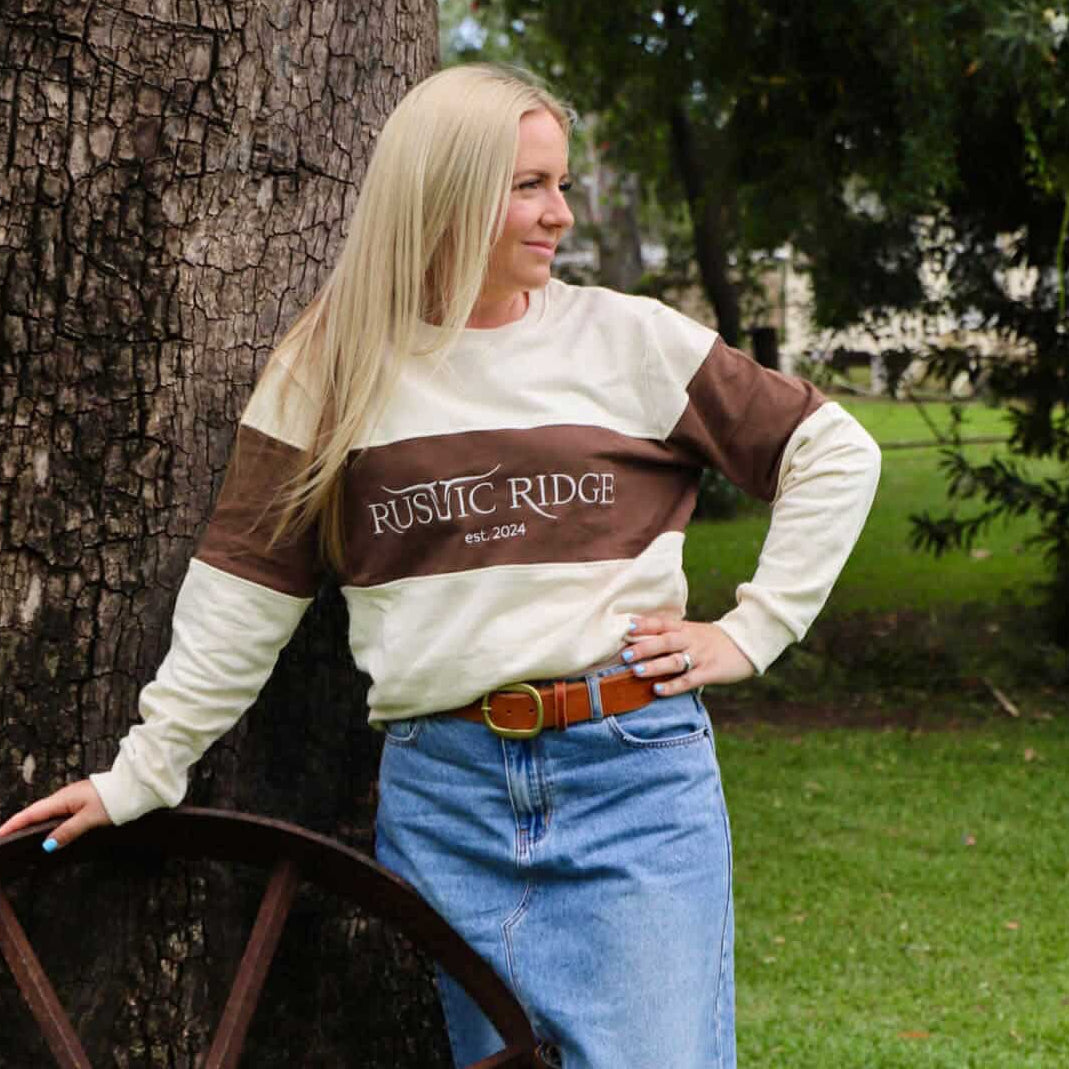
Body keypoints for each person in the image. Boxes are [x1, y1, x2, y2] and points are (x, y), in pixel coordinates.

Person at [0, 64, 880, 1068]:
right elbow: (244, 591)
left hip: (630, 780)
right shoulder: (331, 366)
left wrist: (753, 628)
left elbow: (834, 448)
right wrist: (145, 768)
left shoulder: (631, 340)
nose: (560, 215)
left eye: (563, 185)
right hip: (445, 793)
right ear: (446, 191)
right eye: (529, 186)